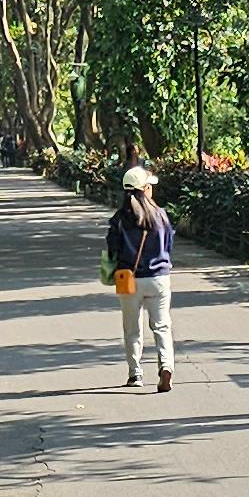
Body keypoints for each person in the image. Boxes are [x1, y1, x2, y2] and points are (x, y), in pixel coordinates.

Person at [104, 163, 175, 391]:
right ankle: (166, 366)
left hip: (128, 278)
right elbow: (169, 246)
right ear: (144, 189)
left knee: (132, 329)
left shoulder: (119, 220)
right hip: (159, 278)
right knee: (162, 326)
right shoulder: (161, 216)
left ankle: (135, 374)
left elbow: (112, 249)